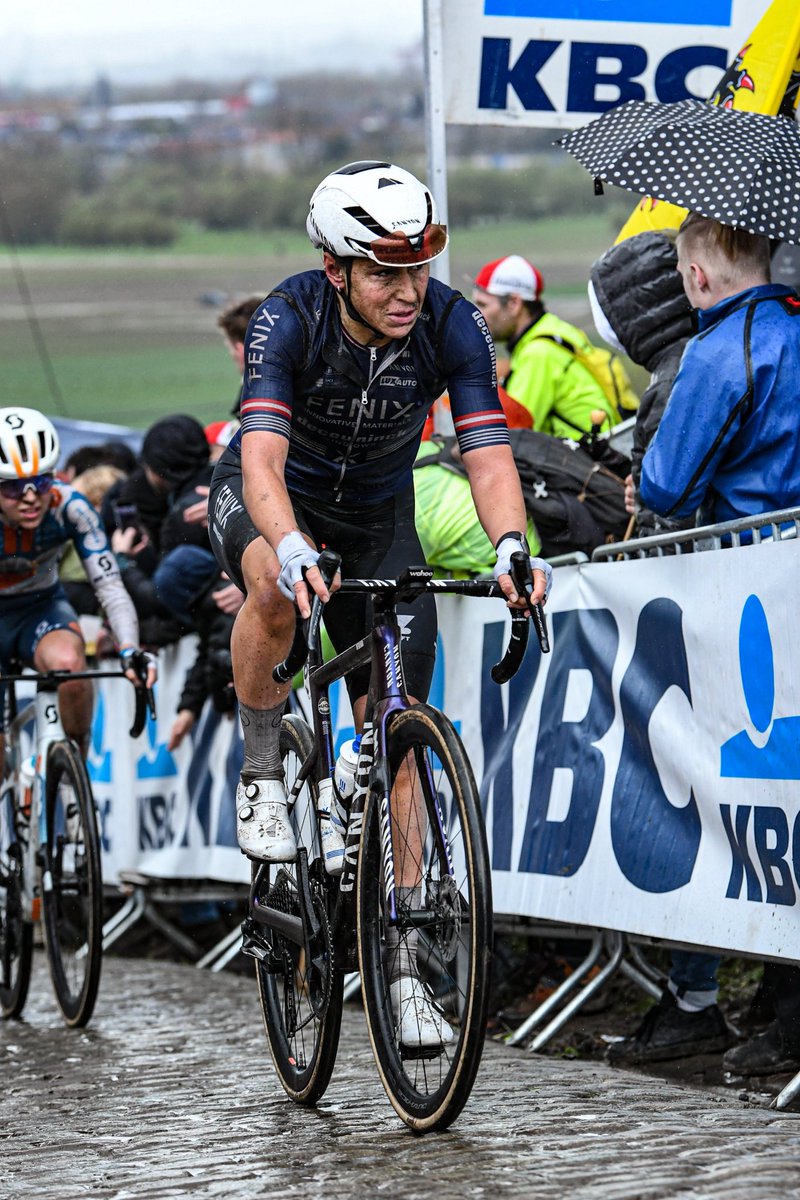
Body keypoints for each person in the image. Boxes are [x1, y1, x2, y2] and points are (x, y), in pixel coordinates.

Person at [209, 160, 551, 1047]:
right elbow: (261, 461)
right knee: (276, 596)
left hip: (377, 522)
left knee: (399, 732)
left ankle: (402, 971)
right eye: (384, 272)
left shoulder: (452, 322)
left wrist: (513, 546)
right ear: (338, 269)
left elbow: (485, 453)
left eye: (419, 268)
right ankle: (259, 771)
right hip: (273, 502)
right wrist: (286, 546)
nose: (408, 291)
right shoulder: (290, 316)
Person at [638, 214, 800, 1077]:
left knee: (755, 797)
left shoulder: (720, 348)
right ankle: (773, 1003)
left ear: (697, 280)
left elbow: (666, 482)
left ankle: (725, 1003)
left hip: (751, 596)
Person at [0, 407, 156, 768]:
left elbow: (110, 586)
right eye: (12, 487)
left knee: (71, 665)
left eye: (40, 482)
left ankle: (73, 775)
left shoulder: (71, 507)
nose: (29, 496)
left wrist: (129, 646)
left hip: (38, 608)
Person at [639, 213, 800, 526]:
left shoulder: (717, 351)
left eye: (681, 272)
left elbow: (667, 493)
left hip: (758, 553)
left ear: (698, 276)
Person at [471, 254, 623, 438]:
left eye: (482, 305)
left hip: (585, 460)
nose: (475, 314)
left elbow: (511, 431)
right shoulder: (552, 333)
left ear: (514, 303)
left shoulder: (539, 353)